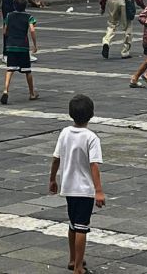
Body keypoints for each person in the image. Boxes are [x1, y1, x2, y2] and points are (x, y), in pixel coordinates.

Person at [49, 95, 105, 274]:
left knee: (73, 225)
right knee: (82, 227)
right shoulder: (91, 137)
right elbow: (94, 165)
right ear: (92, 114)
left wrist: (52, 179)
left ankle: (73, 259)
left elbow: (55, 159)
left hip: (68, 187)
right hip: (84, 189)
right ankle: (79, 268)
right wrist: (98, 190)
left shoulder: (65, 132)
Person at [0, 0, 38, 105]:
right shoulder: (28, 16)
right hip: (23, 46)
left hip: (11, 45)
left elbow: (4, 31)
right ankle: (31, 93)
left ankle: (6, 90)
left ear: (14, 5)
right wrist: (35, 44)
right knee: (27, 70)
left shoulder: (9, 15)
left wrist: (9, 35)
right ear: (26, 6)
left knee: (10, 69)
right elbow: (32, 30)